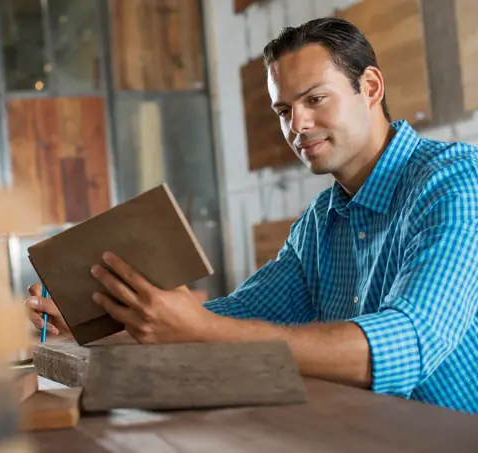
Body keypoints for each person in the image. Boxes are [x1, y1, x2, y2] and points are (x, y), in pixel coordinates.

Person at [25, 17, 478, 414]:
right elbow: (235, 317)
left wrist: (200, 329)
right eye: (284, 110)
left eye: (315, 99)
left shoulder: (455, 182)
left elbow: (409, 343)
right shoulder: (320, 223)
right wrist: (106, 320)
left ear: (371, 87)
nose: (296, 126)